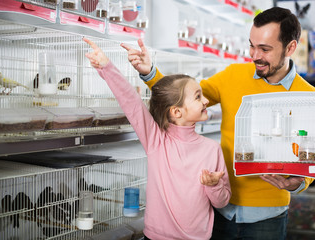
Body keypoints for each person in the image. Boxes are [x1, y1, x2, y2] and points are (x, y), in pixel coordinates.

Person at [120, 6, 315, 240]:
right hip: (220, 211)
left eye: (264, 49)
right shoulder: (232, 75)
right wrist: (150, 72)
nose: (254, 55)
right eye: (252, 46)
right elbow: (183, 100)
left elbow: (311, 158)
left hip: (267, 216)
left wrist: (298, 183)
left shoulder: (308, 97)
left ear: (291, 47)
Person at [83, 38, 231, 240]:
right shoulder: (156, 141)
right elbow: (131, 102)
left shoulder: (212, 149)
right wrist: (106, 67)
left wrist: (214, 185)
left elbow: (222, 202)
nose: (206, 101)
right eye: (198, 97)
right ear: (176, 111)